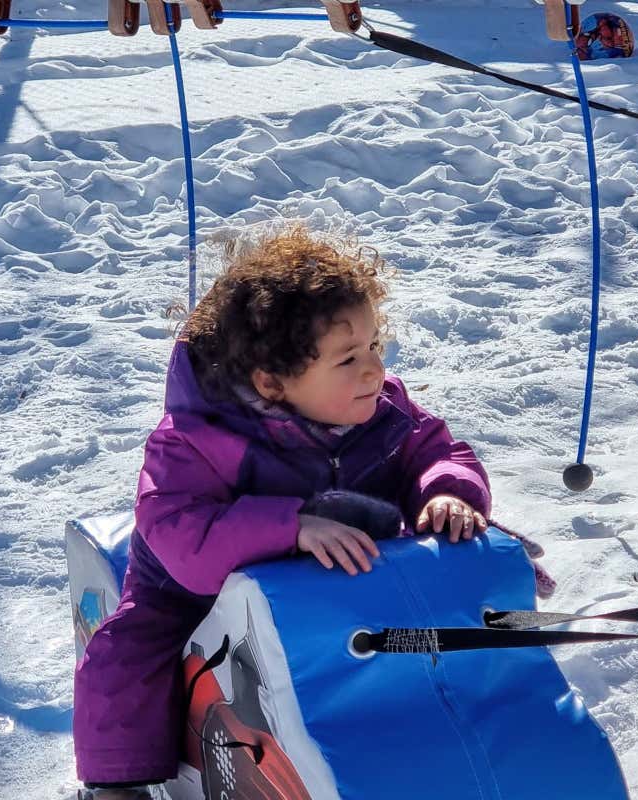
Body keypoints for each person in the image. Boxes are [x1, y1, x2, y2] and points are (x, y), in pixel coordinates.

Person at [73, 224, 550, 799]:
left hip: (343, 579)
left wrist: (444, 492)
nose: (375, 370)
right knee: (129, 650)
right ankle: (116, 784)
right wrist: (289, 528)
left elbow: (436, 449)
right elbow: (178, 529)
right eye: (348, 358)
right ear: (272, 382)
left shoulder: (380, 406)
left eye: (375, 346)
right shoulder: (195, 439)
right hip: (194, 587)